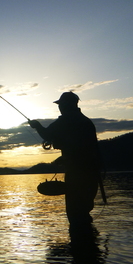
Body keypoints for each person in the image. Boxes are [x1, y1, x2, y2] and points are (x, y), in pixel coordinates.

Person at [28, 92, 102, 231]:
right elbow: (82, 147)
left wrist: (37, 125)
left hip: (76, 173)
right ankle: (89, 246)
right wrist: (64, 158)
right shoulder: (85, 121)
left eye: (60, 104)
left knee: (75, 213)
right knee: (84, 209)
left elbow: (47, 134)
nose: (59, 107)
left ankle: (80, 246)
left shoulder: (67, 120)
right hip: (92, 172)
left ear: (66, 105)